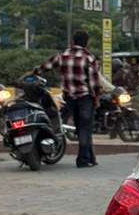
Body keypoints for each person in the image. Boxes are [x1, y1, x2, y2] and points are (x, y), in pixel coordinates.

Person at [37, 30, 102, 168]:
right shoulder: (89, 58)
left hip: (68, 97)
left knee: (66, 124)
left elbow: (44, 67)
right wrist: (96, 98)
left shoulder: (62, 56)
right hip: (85, 98)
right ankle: (83, 159)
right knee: (85, 127)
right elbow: (94, 83)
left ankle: (91, 157)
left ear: (73, 41)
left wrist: (33, 74)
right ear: (87, 43)